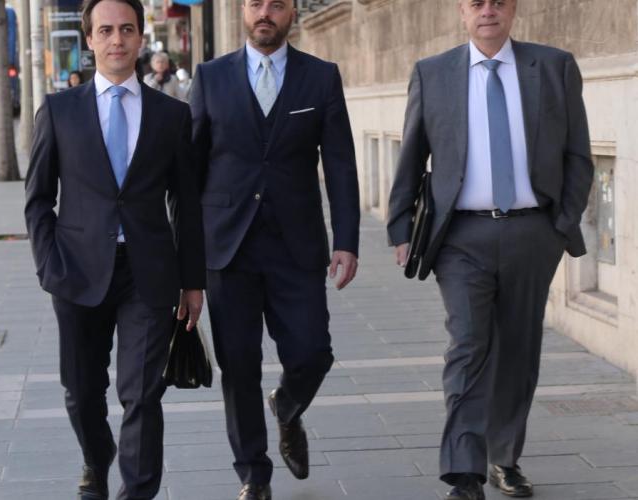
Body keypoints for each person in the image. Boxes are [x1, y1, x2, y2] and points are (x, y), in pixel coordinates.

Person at [387, 1, 594, 499]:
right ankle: (464, 471)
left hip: (532, 233)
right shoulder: (433, 73)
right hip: (461, 237)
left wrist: (560, 225)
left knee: (518, 351)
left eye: (498, 1)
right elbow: (412, 153)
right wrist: (400, 228)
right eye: (476, 3)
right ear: (462, 12)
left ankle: (504, 458)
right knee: (468, 345)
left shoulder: (554, 66)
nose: (488, 11)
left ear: (512, 9)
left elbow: (578, 155)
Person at [24, 0, 206, 498]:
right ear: (89, 39)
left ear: (141, 37)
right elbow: (38, 199)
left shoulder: (172, 115)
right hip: (76, 273)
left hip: (148, 275)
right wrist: (49, 264)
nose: (116, 40)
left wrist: (193, 281)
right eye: (105, 30)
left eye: (126, 29)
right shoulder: (59, 110)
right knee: (82, 393)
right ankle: (96, 456)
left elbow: (185, 204)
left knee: (142, 393)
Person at [189, 0, 360, 497]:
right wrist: (185, 257)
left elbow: (341, 165)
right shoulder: (210, 77)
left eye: (277, 5)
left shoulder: (321, 77)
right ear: (244, 10)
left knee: (313, 351)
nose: (265, 12)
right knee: (238, 365)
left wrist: (347, 240)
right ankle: (253, 475)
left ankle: (286, 404)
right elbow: (191, 168)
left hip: (296, 245)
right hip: (228, 247)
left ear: (292, 13)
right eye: (256, 3)